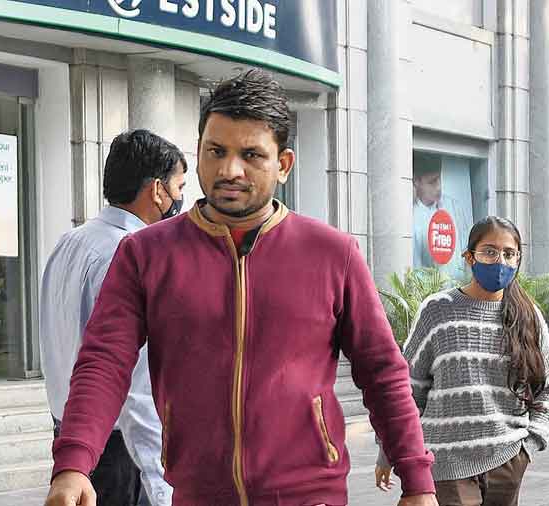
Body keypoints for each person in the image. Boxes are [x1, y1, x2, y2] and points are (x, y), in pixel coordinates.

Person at [44, 69, 438, 506]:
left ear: (283, 164)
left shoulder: (331, 253)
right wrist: (74, 463)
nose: (230, 169)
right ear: (199, 153)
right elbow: (104, 361)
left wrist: (417, 480)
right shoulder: (145, 254)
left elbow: (382, 371)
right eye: (217, 151)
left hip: (310, 496)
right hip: (196, 493)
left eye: (251, 155)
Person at [39, 129, 186, 506]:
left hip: (73, 437)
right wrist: (162, 489)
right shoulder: (130, 257)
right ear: (157, 190)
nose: (182, 200)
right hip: (121, 450)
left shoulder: (69, 242)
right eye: (179, 186)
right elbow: (137, 390)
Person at [376, 216, 549, 506]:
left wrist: (531, 442)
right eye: (489, 251)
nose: (499, 260)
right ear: (469, 256)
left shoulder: (528, 316)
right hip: (446, 462)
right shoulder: (437, 311)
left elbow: (548, 385)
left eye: (509, 254)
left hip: (507, 459)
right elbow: (408, 388)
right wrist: (388, 451)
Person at [412, 162, 473, 280]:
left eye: (439, 179)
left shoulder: (454, 207)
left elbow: (468, 248)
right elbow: (415, 265)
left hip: (458, 288)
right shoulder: (412, 216)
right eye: (432, 182)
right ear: (416, 181)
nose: (439, 187)